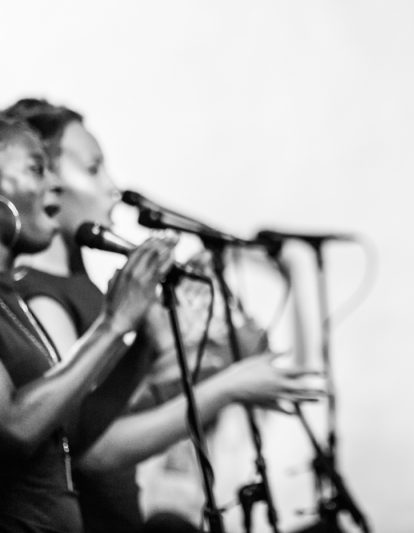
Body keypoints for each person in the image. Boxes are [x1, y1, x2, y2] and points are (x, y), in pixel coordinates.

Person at [7, 98, 324, 532]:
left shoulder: (85, 288)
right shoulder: (41, 295)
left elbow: (95, 418)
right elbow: (90, 448)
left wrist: (154, 333)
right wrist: (228, 386)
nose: (112, 186)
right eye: (94, 167)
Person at [0, 115, 177, 532]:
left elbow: (74, 431)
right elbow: (12, 431)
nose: (54, 184)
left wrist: (142, 339)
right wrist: (112, 326)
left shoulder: (9, 300)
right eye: (35, 169)